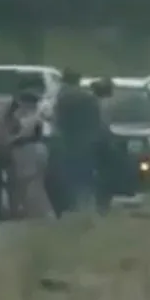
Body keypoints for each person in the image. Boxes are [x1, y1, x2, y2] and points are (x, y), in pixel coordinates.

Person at [51, 68, 104, 212]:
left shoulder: (62, 97)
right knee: (85, 175)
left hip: (68, 142)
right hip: (87, 142)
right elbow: (98, 121)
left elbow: (57, 121)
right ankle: (86, 206)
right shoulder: (89, 97)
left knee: (69, 176)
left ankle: (73, 206)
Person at [3, 88, 55, 219]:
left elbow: (16, 133)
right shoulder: (39, 115)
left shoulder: (24, 116)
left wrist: (10, 141)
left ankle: (36, 212)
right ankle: (39, 212)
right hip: (38, 148)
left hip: (26, 149)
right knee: (34, 182)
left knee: (26, 183)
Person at [90, 78, 116, 213]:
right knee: (105, 171)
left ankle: (101, 202)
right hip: (104, 139)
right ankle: (103, 202)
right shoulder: (109, 103)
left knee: (99, 171)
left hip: (98, 139)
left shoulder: (98, 103)